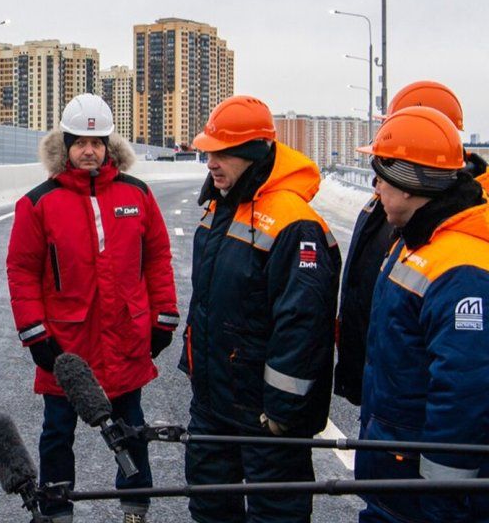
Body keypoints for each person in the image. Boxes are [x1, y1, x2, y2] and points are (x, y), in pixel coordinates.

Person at [6, 94, 179, 523]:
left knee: (133, 431)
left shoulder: (136, 195)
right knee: (57, 434)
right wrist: (35, 336)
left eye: (97, 142)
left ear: (109, 145)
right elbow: (22, 272)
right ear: (65, 145)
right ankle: (57, 510)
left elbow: (157, 258)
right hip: (66, 347)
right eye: (80, 141)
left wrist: (164, 319)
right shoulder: (38, 203)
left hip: (125, 341)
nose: (89, 151)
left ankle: (135, 508)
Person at [181, 95, 340, 523]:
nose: (211, 162)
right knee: (210, 505)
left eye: (223, 153)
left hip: (266, 414)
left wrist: (282, 413)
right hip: (214, 402)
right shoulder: (218, 207)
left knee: (276, 512)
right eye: (208, 151)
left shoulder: (294, 222)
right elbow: (208, 304)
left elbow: (303, 325)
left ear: (253, 154)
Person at [354, 106, 489, 522]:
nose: (375, 186)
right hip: (393, 471)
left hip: (424, 495)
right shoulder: (415, 240)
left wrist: (440, 494)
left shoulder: (462, 268)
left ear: (410, 184)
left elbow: (465, 394)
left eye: (382, 175)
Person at [335, 80, 480, 405]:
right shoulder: (386, 206)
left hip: (410, 415)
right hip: (382, 390)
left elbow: (462, 379)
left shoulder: (450, 229)